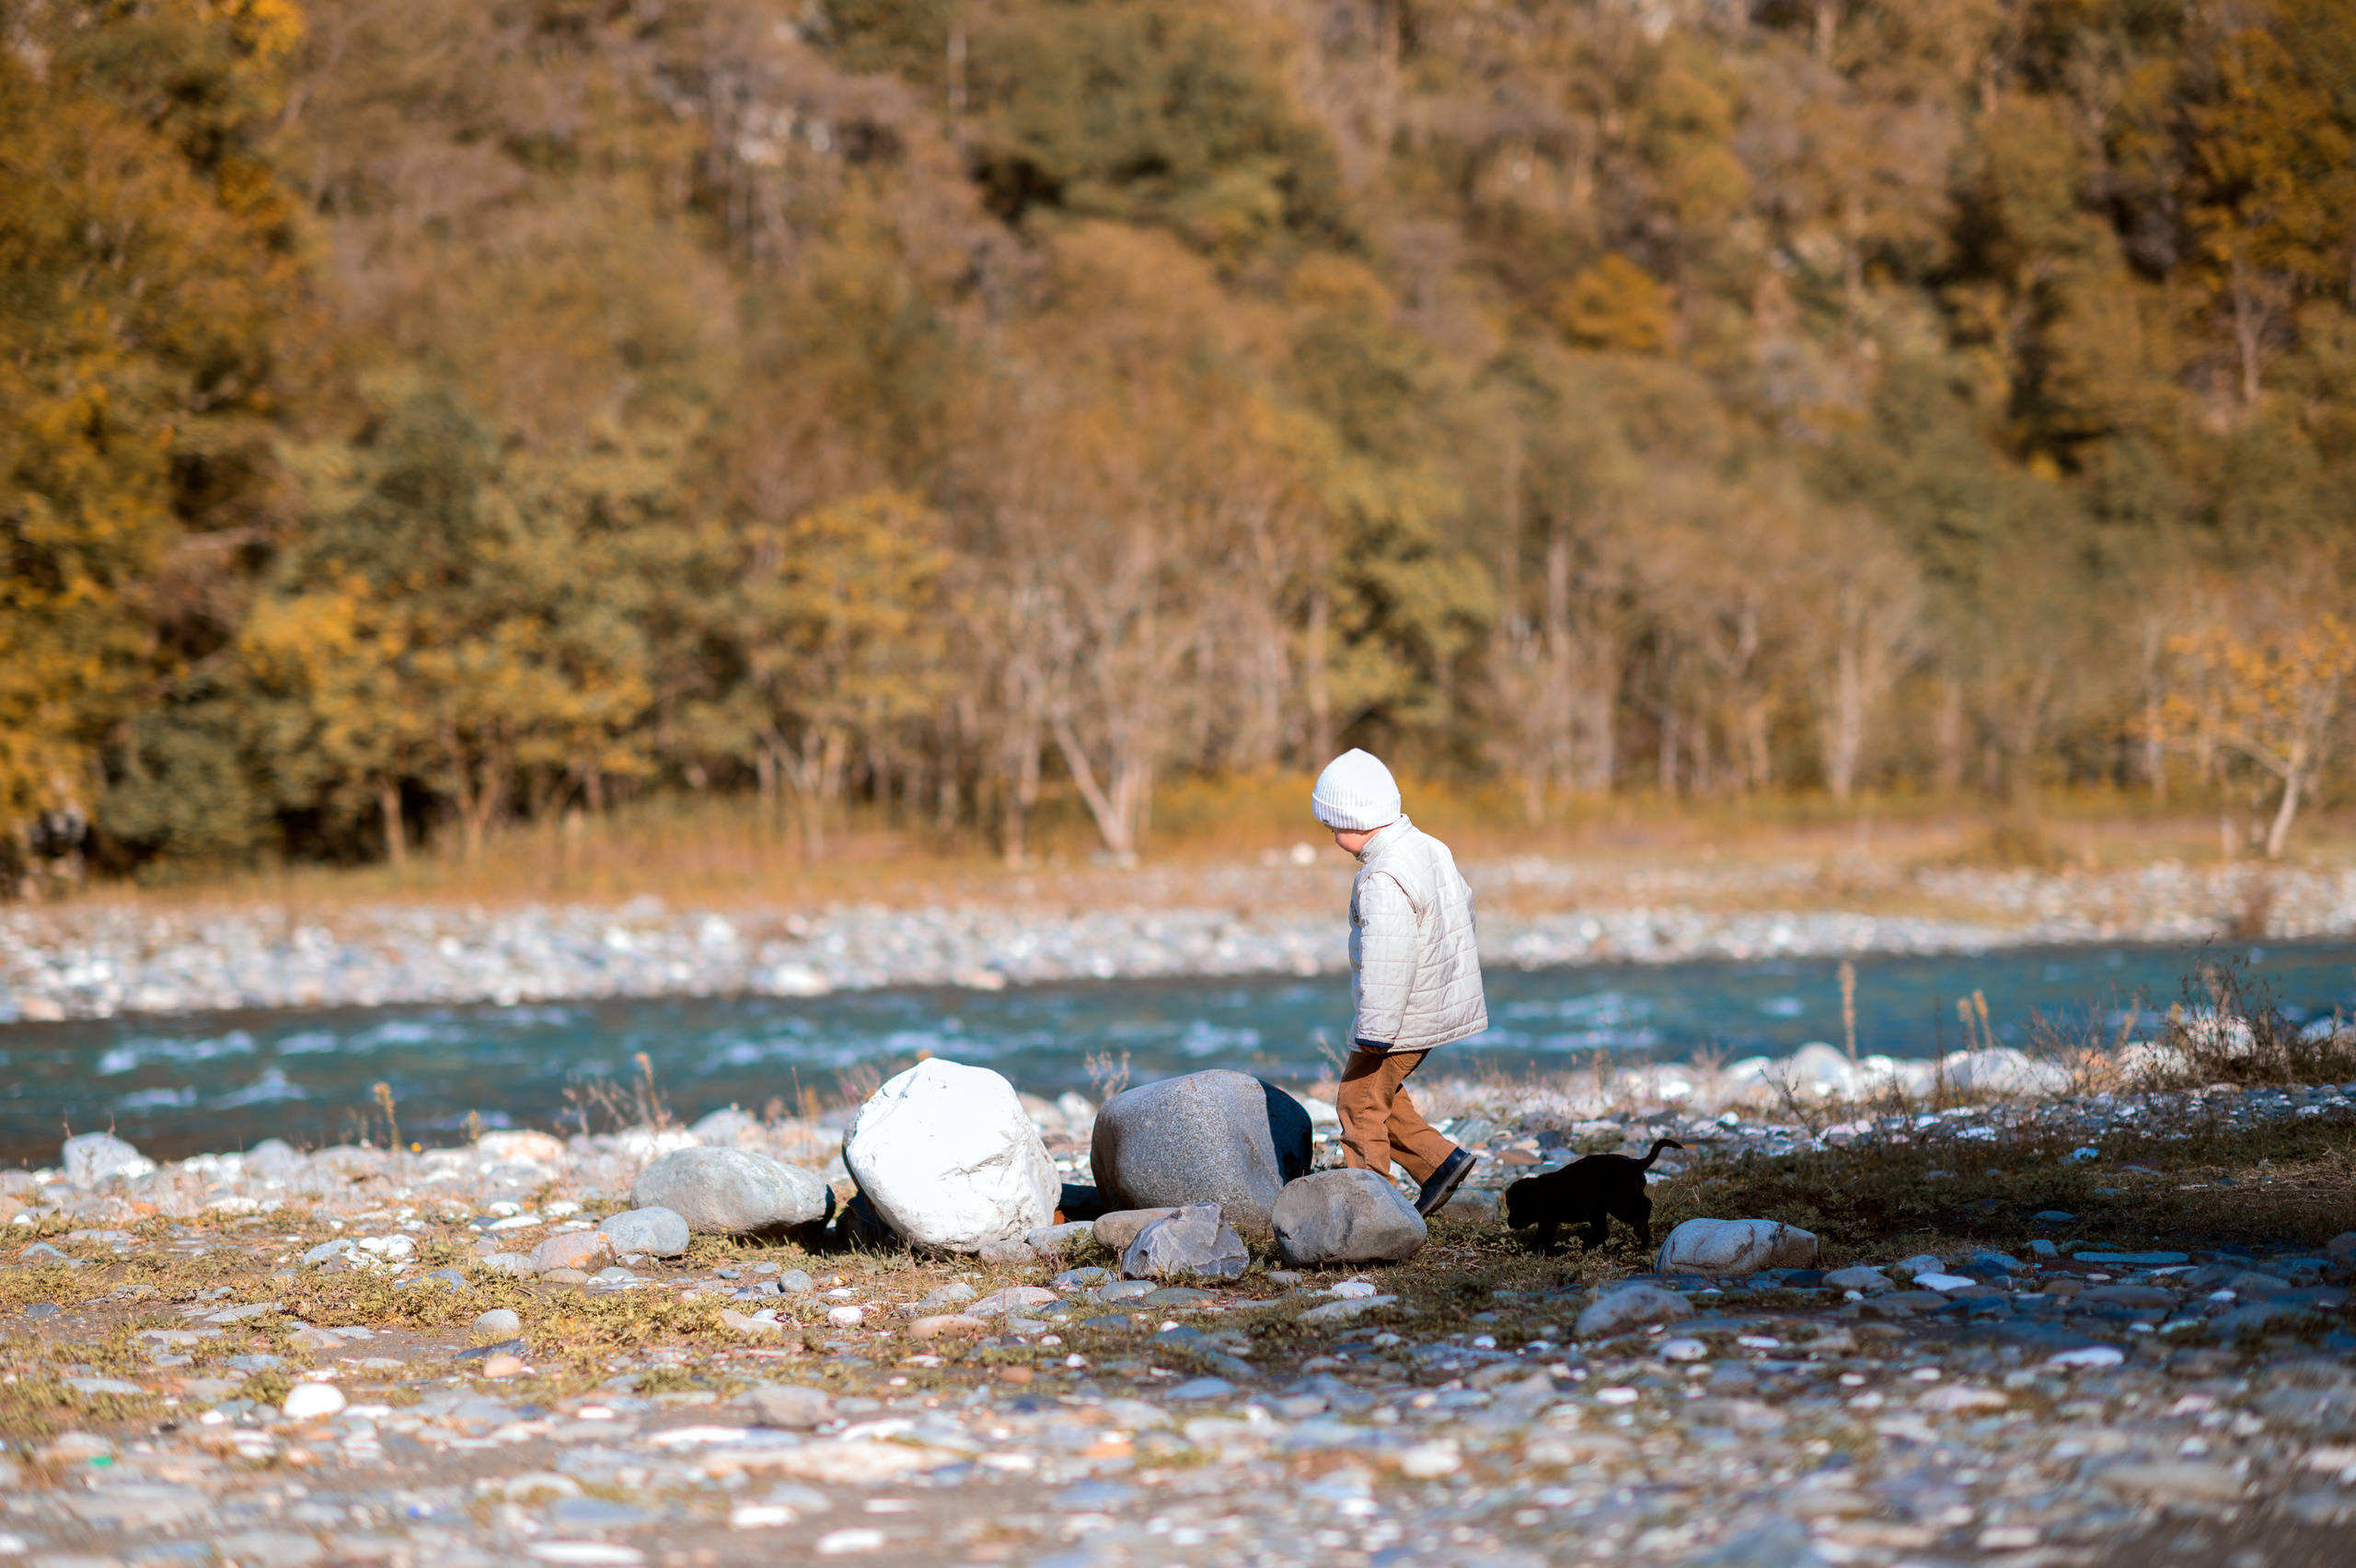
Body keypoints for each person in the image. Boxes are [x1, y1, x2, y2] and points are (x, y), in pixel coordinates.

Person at [1311, 747, 1487, 1216]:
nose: (1331, 838)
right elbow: (1462, 909)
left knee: (1358, 1102)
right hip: (1436, 997)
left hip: (1401, 1015)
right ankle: (1440, 1163)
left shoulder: (1383, 877)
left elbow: (1389, 959)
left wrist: (1375, 1030)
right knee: (1381, 1095)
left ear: (1357, 818)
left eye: (1333, 827)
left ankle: (1373, 1208)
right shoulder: (1428, 846)